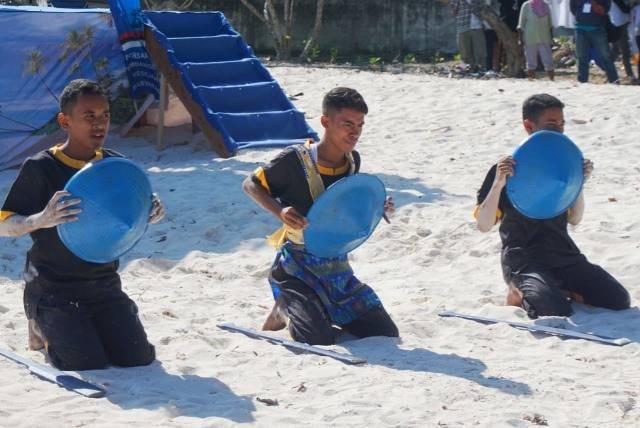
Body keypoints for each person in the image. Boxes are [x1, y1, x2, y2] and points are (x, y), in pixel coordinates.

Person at [0, 79, 164, 370]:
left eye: (105, 115)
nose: (99, 124)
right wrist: (41, 219)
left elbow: (129, 216)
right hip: (53, 287)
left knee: (136, 358)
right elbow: (4, 223)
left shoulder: (116, 166)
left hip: (103, 284)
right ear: (65, 121)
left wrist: (149, 210)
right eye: (89, 116)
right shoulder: (41, 167)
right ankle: (38, 324)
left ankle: (81, 325)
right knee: (85, 361)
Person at [242, 87, 399, 345]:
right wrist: (279, 211)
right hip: (296, 267)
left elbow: (344, 207)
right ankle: (285, 305)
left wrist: (376, 207)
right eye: (347, 123)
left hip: (337, 268)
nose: (355, 131)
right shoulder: (295, 160)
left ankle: (315, 310)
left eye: (360, 124)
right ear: (326, 122)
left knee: (384, 331)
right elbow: (250, 184)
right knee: (318, 338)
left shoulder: (352, 160)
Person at [474, 94, 630, 318]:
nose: (558, 130)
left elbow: (574, 219)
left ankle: (558, 289)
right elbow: (483, 225)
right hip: (523, 258)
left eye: (561, 124)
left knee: (617, 299)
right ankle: (518, 292)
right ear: (529, 125)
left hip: (563, 253)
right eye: (550, 124)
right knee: (551, 309)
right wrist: (498, 184)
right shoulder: (506, 167)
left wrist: (579, 184)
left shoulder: (564, 164)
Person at [570, 0, 620, 83]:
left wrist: (593, 3)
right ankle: (582, 81)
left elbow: (604, 11)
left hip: (597, 29)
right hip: (580, 28)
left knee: (606, 56)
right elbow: (573, 10)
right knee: (581, 57)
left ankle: (614, 80)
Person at [518, 0, 556, 80]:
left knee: (548, 60)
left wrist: (552, 39)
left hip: (545, 37)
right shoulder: (526, 5)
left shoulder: (546, 5)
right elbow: (521, 24)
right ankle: (531, 80)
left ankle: (552, 80)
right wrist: (520, 39)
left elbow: (550, 24)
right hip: (530, 37)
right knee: (530, 61)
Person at [452, 0, 488, 72]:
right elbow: (454, 10)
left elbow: (485, 8)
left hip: (478, 26)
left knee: (480, 51)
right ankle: (466, 70)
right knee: (465, 52)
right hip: (463, 26)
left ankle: (481, 70)